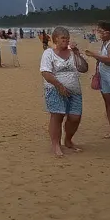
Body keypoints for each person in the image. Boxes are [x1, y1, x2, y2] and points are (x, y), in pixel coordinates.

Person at [40, 26, 88, 157]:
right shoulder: (49, 53)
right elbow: (45, 72)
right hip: (55, 89)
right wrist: (59, 86)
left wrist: (77, 53)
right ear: (55, 39)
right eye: (63, 38)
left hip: (74, 90)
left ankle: (68, 140)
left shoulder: (72, 52)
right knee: (57, 116)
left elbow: (84, 68)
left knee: (75, 117)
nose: (66, 41)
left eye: (67, 38)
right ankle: (56, 145)